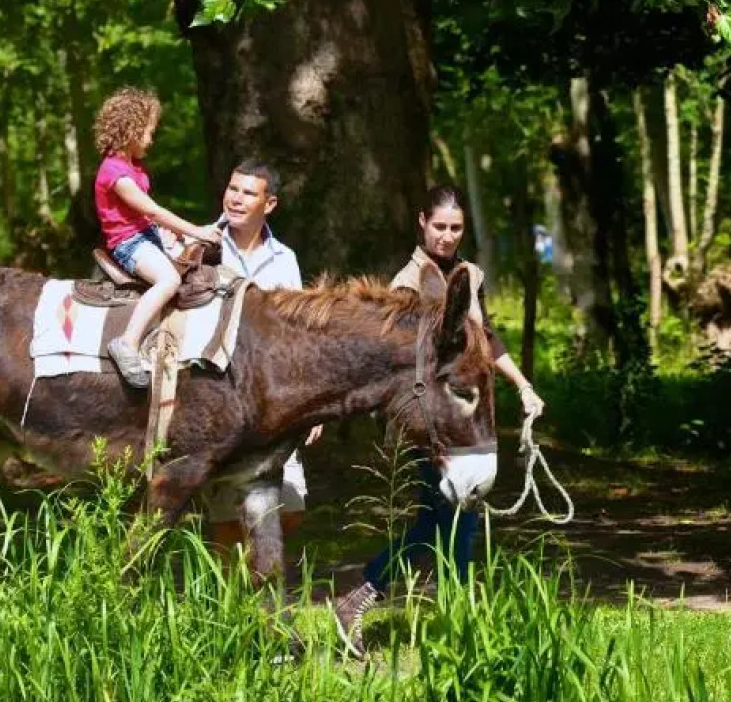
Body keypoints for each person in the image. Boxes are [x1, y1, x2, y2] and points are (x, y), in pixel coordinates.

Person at [332, 185, 545, 655]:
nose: (447, 237)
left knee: (447, 519)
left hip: (465, 416)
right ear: (422, 223)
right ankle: (400, 603)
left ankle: (435, 612)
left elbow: (485, 337)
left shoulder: (469, 275)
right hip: (431, 423)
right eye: (439, 227)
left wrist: (522, 385)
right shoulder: (407, 285)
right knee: (450, 519)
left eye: (456, 228)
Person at [207, 160, 321, 548]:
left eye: (248, 193)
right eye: (233, 189)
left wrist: (311, 402)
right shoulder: (201, 246)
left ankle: (248, 585)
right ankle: (231, 602)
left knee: (289, 507)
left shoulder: (284, 258)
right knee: (226, 517)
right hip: (218, 399)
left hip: (276, 406)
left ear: (268, 204)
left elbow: (297, 332)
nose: (236, 199)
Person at [92, 87, 221, 387]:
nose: (151, 139)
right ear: (132, 130)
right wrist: (195, 230)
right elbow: (152, 210)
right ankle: (126, 342)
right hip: (129, 243)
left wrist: (186, 236)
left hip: (145, 234)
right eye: (149, 132)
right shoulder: (115, 173)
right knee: (169, 280)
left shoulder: (132, 167)